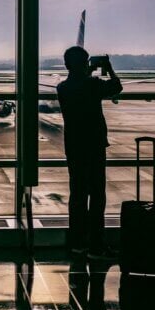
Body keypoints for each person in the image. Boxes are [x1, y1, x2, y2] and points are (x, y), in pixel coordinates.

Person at [57, 46, 122, 259]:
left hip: (74, 146)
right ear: (85, 64)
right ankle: (96, 246)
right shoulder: (93, 84)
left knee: (77, 195)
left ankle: (77, 244)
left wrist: (87, 69)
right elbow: (116, 87)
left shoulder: (63, 88)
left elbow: (79, 82)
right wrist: (108, 67)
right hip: (94, 145)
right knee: (96, 195)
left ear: (66, 65)